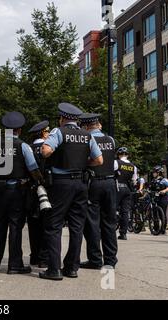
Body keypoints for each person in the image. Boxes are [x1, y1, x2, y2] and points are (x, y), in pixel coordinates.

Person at [39, 103, 103, 281]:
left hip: (61, 184)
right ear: (76, 120)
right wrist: (82, 164)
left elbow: (45, 151)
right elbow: (99, 160)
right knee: (77, 226)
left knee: (54, 226)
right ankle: (72, 267)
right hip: (81, 184)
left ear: (62, 118)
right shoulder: (87, 136)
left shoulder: (58, 132)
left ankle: (54, 269)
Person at [0, 111, 43, 275]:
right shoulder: (23, 146)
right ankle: (14, 265)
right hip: (17, 191)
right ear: (20, 130)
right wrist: (37, 181)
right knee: (15, 227)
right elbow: (34, 169)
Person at [79, 113, 118, 270]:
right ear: (98, 124)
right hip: (110, 183)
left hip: (93, 183)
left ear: (87, 126)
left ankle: (95, 259)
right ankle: (110, 260)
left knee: (92, 223)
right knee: (109, 222)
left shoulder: (88, 140)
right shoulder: (111, 140)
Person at [27, 120, 50, 269]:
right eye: (47, 132)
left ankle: (34, 255)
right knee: (47, 223)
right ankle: (44, 257)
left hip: (30, 189)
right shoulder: (48, 148)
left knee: (33, 224)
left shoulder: (28, 148)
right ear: (43, 133)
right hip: (47, 188)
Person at [115, 147, 137, 240]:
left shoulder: (116, 162)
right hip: (127, 190)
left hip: (117, 188)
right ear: (127, 155)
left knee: (112, 209)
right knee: (125, 212)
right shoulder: (133, 166)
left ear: (119, 154)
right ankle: (123, 233)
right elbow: (134, 180)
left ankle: (110, 231)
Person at [150, 165, 168, 234]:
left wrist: (164, 190)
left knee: (162, 213)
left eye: (154, 172)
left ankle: (163, 229)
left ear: (159, 173)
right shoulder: (153, 180)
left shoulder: (164, 180)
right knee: (154, 214)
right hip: (155, 198)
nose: (153, 173)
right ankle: (156, 228)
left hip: (163, 198)